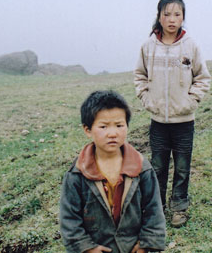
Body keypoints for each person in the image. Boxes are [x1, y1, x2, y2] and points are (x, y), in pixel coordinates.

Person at [134, 0, 211, 227]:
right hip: (158, 121)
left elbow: (202, 78)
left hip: (184, 122)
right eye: (167, 14)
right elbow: (140, 76)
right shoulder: (148, 47)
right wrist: (147, 100)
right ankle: (157, 209)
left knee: (183, 167)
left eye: (177, 14)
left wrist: (190, 102)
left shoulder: (191, 46)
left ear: (183, 17)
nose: (172, 19)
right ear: (159, 16)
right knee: (157, 167)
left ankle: (179, 207)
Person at [60, 90, 166, 253]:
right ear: (87, 130)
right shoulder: (77, 174)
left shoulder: (141, 167)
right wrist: (87, 248)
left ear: (127, 126)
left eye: (119, 125)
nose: (112, 133)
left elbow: (154, 210)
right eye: (103, 126)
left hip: (133, 247)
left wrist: (146, 244)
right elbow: (69, 219)